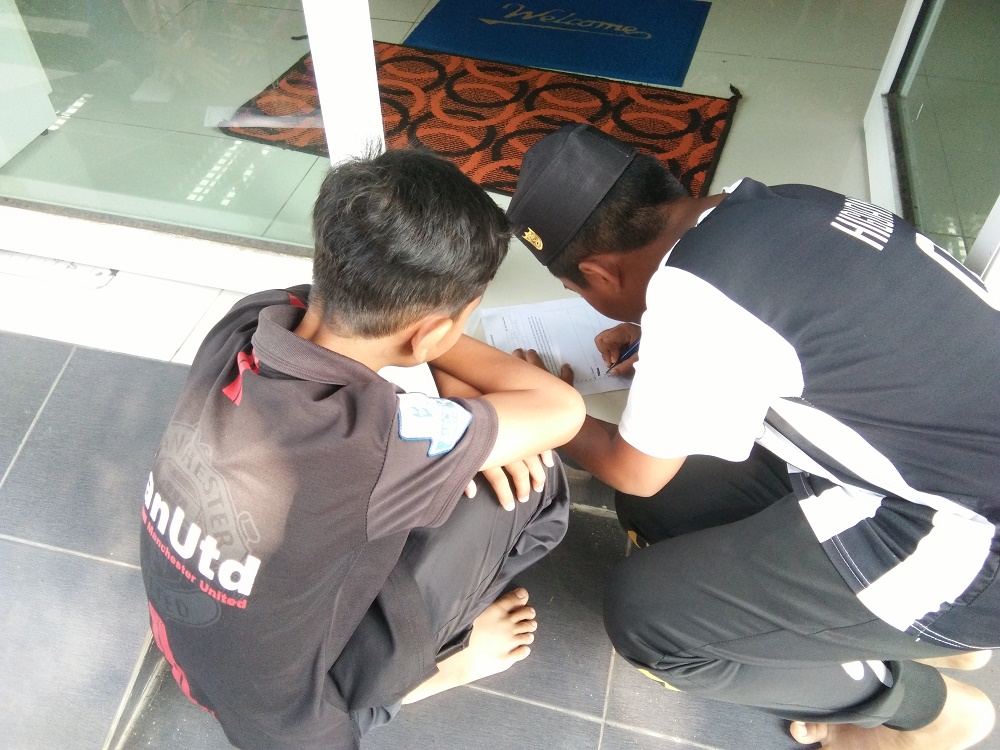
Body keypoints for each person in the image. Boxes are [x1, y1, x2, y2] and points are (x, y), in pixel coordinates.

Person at [505, 123, 1000, 749]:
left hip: (972, 550)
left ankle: (926, 710)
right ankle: (911, 629)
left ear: (600, 273)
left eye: (573, 288)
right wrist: (664, 339)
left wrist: (543, 402)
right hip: (953, 475)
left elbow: (634, 468)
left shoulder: (694, 297)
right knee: (669, 502)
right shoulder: (781, 202)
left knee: (647, 620)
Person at [138, 146, 585, 749]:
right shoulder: (375, 442)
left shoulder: (249, 320)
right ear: (433, 331)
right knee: (536, 480)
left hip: (188, 646)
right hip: (297, 729)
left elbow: (358, 325)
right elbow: (561, 412)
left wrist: (444, 367)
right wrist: (456, 377)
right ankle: (445, 666)